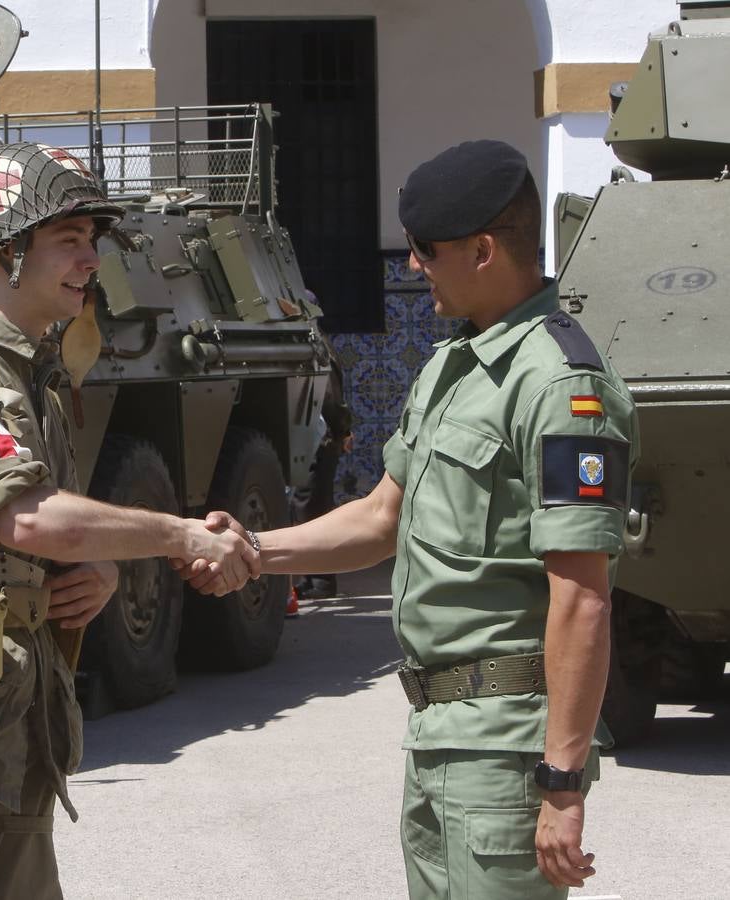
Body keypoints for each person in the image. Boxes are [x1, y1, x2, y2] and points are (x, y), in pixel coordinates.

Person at [182, 140, 638, 898]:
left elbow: (583, 597)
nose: (413, 265)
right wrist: (253, 547)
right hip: (437, 738)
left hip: (506, 753)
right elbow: (381, 516)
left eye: (426, 249)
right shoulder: (453, 366)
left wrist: (561, 781)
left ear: (484, 249)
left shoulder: (561, 386)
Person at [0, 141, 259, 899]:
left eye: (91, 242)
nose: (90, 261)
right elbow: (24, 520)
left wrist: (96, 569)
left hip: (7, 723)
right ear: (4, 251)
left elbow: (55, 526)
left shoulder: (26, 375)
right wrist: (178, 533)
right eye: (69, 241)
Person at [292, 333, 354, 600]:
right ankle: (313, 577)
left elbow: (329, 396)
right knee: (309, 508)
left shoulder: (314, 342)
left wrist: (342, 431)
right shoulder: (316, 341)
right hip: (317, 439)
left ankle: (321, 581)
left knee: (313, 511)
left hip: (320, 440)